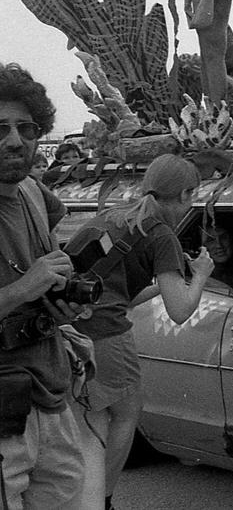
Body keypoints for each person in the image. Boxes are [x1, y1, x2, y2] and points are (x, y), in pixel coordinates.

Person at [71, 154, 213, 510]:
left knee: (92, 418)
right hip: (106, 333)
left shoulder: (114, 216)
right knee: (127, 412)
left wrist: (168, 283)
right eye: (191, 196)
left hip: (69, 327)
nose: (190, 204)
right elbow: (180, 311)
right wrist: (200, 276)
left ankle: (82, 497)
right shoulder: (162, 234)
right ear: (183, 194)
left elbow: (122, 292)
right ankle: (102, 499)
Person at [0, 64, 87, 508]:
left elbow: (52, 274)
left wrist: (61, 305)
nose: (15, 140)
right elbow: (27, 284)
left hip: (50, 397)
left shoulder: (34, 192)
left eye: (26, 127)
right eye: (0, 128)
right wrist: (22, 288)